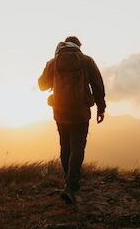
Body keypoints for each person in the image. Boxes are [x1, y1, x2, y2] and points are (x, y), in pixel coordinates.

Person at [38, 36, 106, 204]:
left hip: (60, 111)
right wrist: (101, 107)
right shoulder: (87, 61)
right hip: (81, 112)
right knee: (78, 147)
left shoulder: (53, 62)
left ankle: (69, 182)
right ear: (78, 46)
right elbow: (98, 85)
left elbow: (41, 85)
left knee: (65, 146)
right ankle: (71, 184)